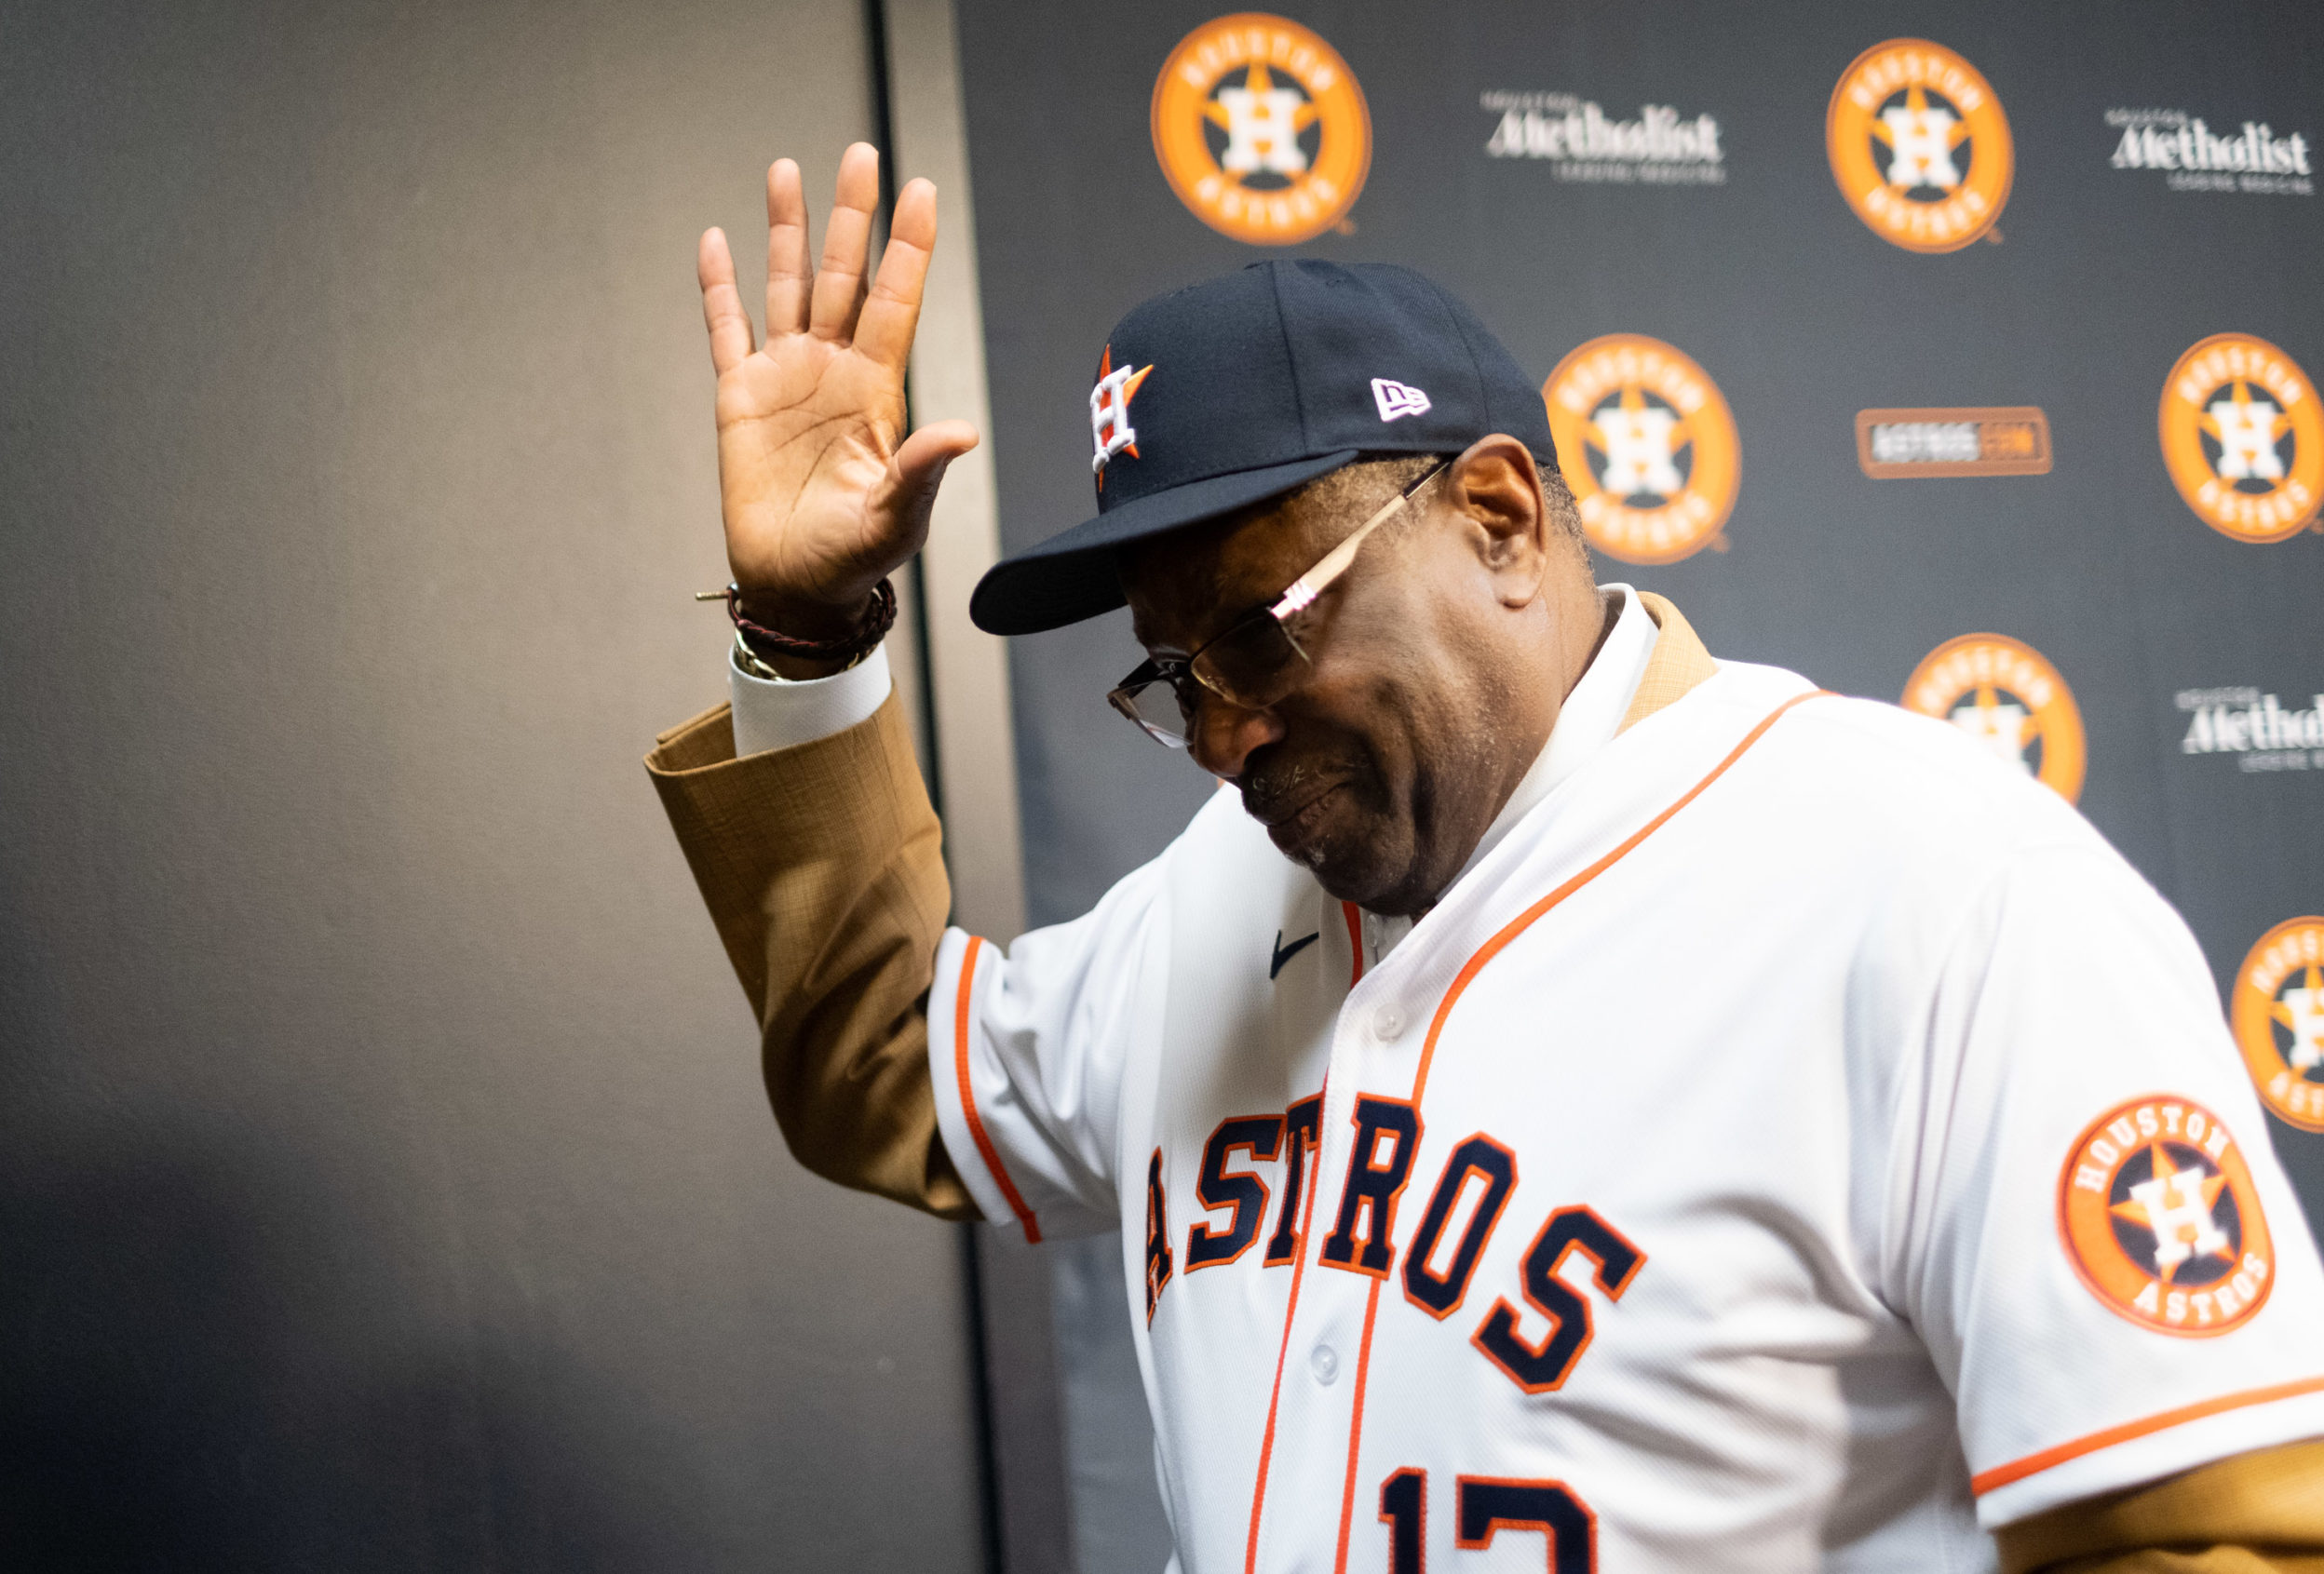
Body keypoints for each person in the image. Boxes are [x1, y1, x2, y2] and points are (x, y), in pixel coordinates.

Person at [647, 142, 2324, 1573]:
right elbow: (893, 1068)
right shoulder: (1222, 900)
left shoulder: (1931, 892)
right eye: (1176, 676)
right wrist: (804, 630)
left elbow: (2218, 1528)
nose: (1224, 733)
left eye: (1262, 634)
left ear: (1503, 520)